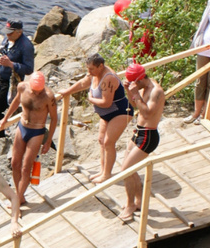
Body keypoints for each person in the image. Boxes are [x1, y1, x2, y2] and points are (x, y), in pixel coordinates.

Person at [57, 54, 133, 183]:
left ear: (101, 66)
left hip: (120, 111)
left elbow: (106, 103)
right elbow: (83, 83)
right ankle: (102, 171)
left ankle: (107, 174)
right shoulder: (93, 74)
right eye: (88, 69)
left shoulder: (107, 78)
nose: (89, 72)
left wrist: (90, 98)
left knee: (108, 142)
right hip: (106, 114)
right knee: (101, 140)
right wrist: (68, 91)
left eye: (91, 69)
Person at [0, 71, 58, 208]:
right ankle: (20, 195)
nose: (37, 94)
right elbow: (16, 101)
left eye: (39, 91)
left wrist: (48, 141)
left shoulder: (48, 96)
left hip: (37, 131)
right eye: (34, 91)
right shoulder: (22, 87)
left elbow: (54, 119)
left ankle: (17, 198)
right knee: (15, 163)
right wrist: (5, 118)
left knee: (26, 167)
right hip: (22, 126)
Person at [119, 64, 164, 221]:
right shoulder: (141, 88)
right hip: (139, 132)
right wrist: (129, 92)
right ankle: (139, 201)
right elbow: (135, 107)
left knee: (126, 170)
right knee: (129, 169)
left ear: (140, 79)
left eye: (134, 83)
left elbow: (147, 113)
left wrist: (135, 94)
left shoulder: (156, 91)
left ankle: (130, 204)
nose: (133, 86)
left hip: (149, 135)